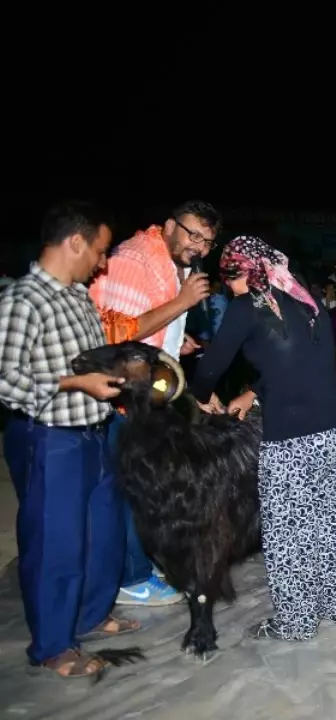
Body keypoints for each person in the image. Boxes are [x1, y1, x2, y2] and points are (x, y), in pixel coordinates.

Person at [192, 236, 336, 642]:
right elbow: (298, 363)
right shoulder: (306, 299)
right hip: (335, 430)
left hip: (291, 439)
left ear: (245, 271)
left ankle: (296, 622)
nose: (227, 285)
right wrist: (254, 392)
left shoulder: (246, 308)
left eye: (229, 275)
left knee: (286, 531)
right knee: (327, 522)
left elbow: (212, 368)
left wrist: (198, 393)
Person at [0, 202, 137, 678]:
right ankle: (54, 645)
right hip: (51, 438)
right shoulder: (23, 301)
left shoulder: (78, 296)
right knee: (56, 543)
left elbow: (90, 361)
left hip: (95, 431)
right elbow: (5, 379)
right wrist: (75, 385)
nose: (101, 263)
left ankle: (92, 614)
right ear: (73, 241)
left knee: (103, 536)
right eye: (99, 251)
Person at [88, 200, 220, 607]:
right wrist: (182, 303)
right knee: (129, 489)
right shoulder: (133, 260)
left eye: (207, 241)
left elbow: (148, 325)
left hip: (146, 396)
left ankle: (137, 563)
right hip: (121, 399)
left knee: (145, 487)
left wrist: (176, 340)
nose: (198, 246)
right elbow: (118, 337)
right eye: (192, 234)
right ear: (169, 225)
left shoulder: (169, 264)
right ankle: (131, 578)